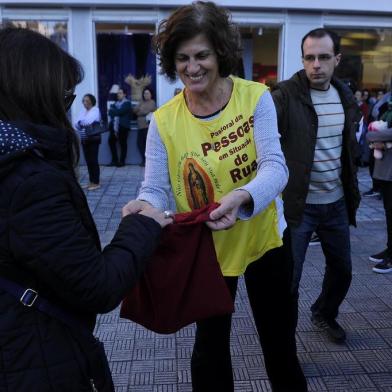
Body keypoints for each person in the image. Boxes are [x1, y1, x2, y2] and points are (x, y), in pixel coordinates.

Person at [123, 2, 307, 391]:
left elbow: (276, 167)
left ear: (220, 53)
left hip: (265, 240)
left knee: (278, 343)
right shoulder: (163, 121)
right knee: (210, 347)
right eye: (182, 58)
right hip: (208, 249)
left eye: (202, 55)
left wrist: (242, 196)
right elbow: (154, 187)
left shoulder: (255, 97)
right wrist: (145, 208)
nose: (192, 67)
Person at [0, 27, 172, 392]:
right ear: (34, 94)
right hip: (34, 357)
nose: (70, 106)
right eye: (65, 96)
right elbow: (98, 285)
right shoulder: (27, 180)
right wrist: (142, 225)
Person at [272, 28, 361, 344]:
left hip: (335, 204)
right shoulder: (283, 96)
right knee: (289, 281)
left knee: (343, 271)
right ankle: (285, 344)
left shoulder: (346, 97)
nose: (316, 65)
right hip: (298, 207)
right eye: (309, 57)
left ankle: (324, 313)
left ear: (336, 59)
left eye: (324, 57)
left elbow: (346, 149)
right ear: (303, 60)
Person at [366, 117, 392, 272]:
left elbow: (371, 133)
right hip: (386, 172)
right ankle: (390, 249)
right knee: (389, 212)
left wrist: (377, 135)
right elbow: (370, 133)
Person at [74, 93, 102, 190]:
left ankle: (96, 182)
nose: (84, 103)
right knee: (88, 161)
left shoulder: (95, 110)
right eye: (84, 101)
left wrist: (80, 122)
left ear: (91, 101)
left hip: (93, 139)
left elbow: (88, 121)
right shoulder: (83, 111)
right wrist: (80, 122)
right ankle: (91, 181)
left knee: (93, 160)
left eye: (86, 100)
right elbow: (76, 124)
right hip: (84, 139)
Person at [107, 87, 132, 167]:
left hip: (123, 126)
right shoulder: (115, 103)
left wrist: (115, 111)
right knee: (111, 142)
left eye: (120, 93)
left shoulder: (127, 103)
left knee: (122, 144)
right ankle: (114, 160)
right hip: (114, 126)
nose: (118, 94)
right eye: (118, 93)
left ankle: (122, 161)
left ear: (124, 94)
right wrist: (116, 112)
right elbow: (110, 112)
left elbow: (120, 112)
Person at [134, 87, 156, 166]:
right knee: (140, 144)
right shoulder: (141, 102)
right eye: (144, 93)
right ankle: (144, 160)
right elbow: (134, 111)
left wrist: (140, 110)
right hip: (140, 127)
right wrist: (140, 110)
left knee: (147, 145)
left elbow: (145, 111)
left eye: (147, 93)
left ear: (150, 94)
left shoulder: (152, 102)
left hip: (147, 127)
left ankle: (147, 161)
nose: (145, 95)